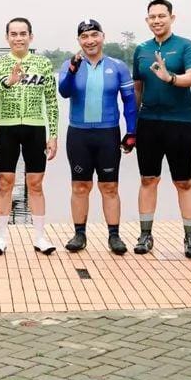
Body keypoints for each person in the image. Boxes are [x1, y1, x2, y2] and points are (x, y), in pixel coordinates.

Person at [58, 19, 137, 256]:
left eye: (94, 35)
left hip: (107, 133)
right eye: (84, 37)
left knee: (110, 186)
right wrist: (72, 69)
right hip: (79, 134)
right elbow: (64, 92)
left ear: (103, 36)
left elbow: (130, 102)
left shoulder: (118, 66)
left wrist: (131, 131)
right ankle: (79, 234)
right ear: (79, 41)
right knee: (80, 186)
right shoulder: (70, 64)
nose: (90, 41)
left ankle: (114, 235)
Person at [0, 17, 60, 255]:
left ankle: (39, 237)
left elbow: (51, 101)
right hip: (7, 128)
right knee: (5, 182)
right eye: (13, 34)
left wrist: (54, 134)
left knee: (35, 184)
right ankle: (1, 238)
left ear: (30, 37)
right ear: (7, 37)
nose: (18, 38)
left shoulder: (43, 64)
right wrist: (8, 82)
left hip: (36, 128)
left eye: (22, 33)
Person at [131, 0, 191, 257]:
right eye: (152, 17)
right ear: (147, 20)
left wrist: (170, 78)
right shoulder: (141, 49)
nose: (157, 20)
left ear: (172, 17)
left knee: (183, 181)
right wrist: (131, 125)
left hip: (179, 122)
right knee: (148, 179)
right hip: (148, 123)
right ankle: (145, 235)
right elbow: (137, 89)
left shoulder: (185, 46)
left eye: (162, 16)